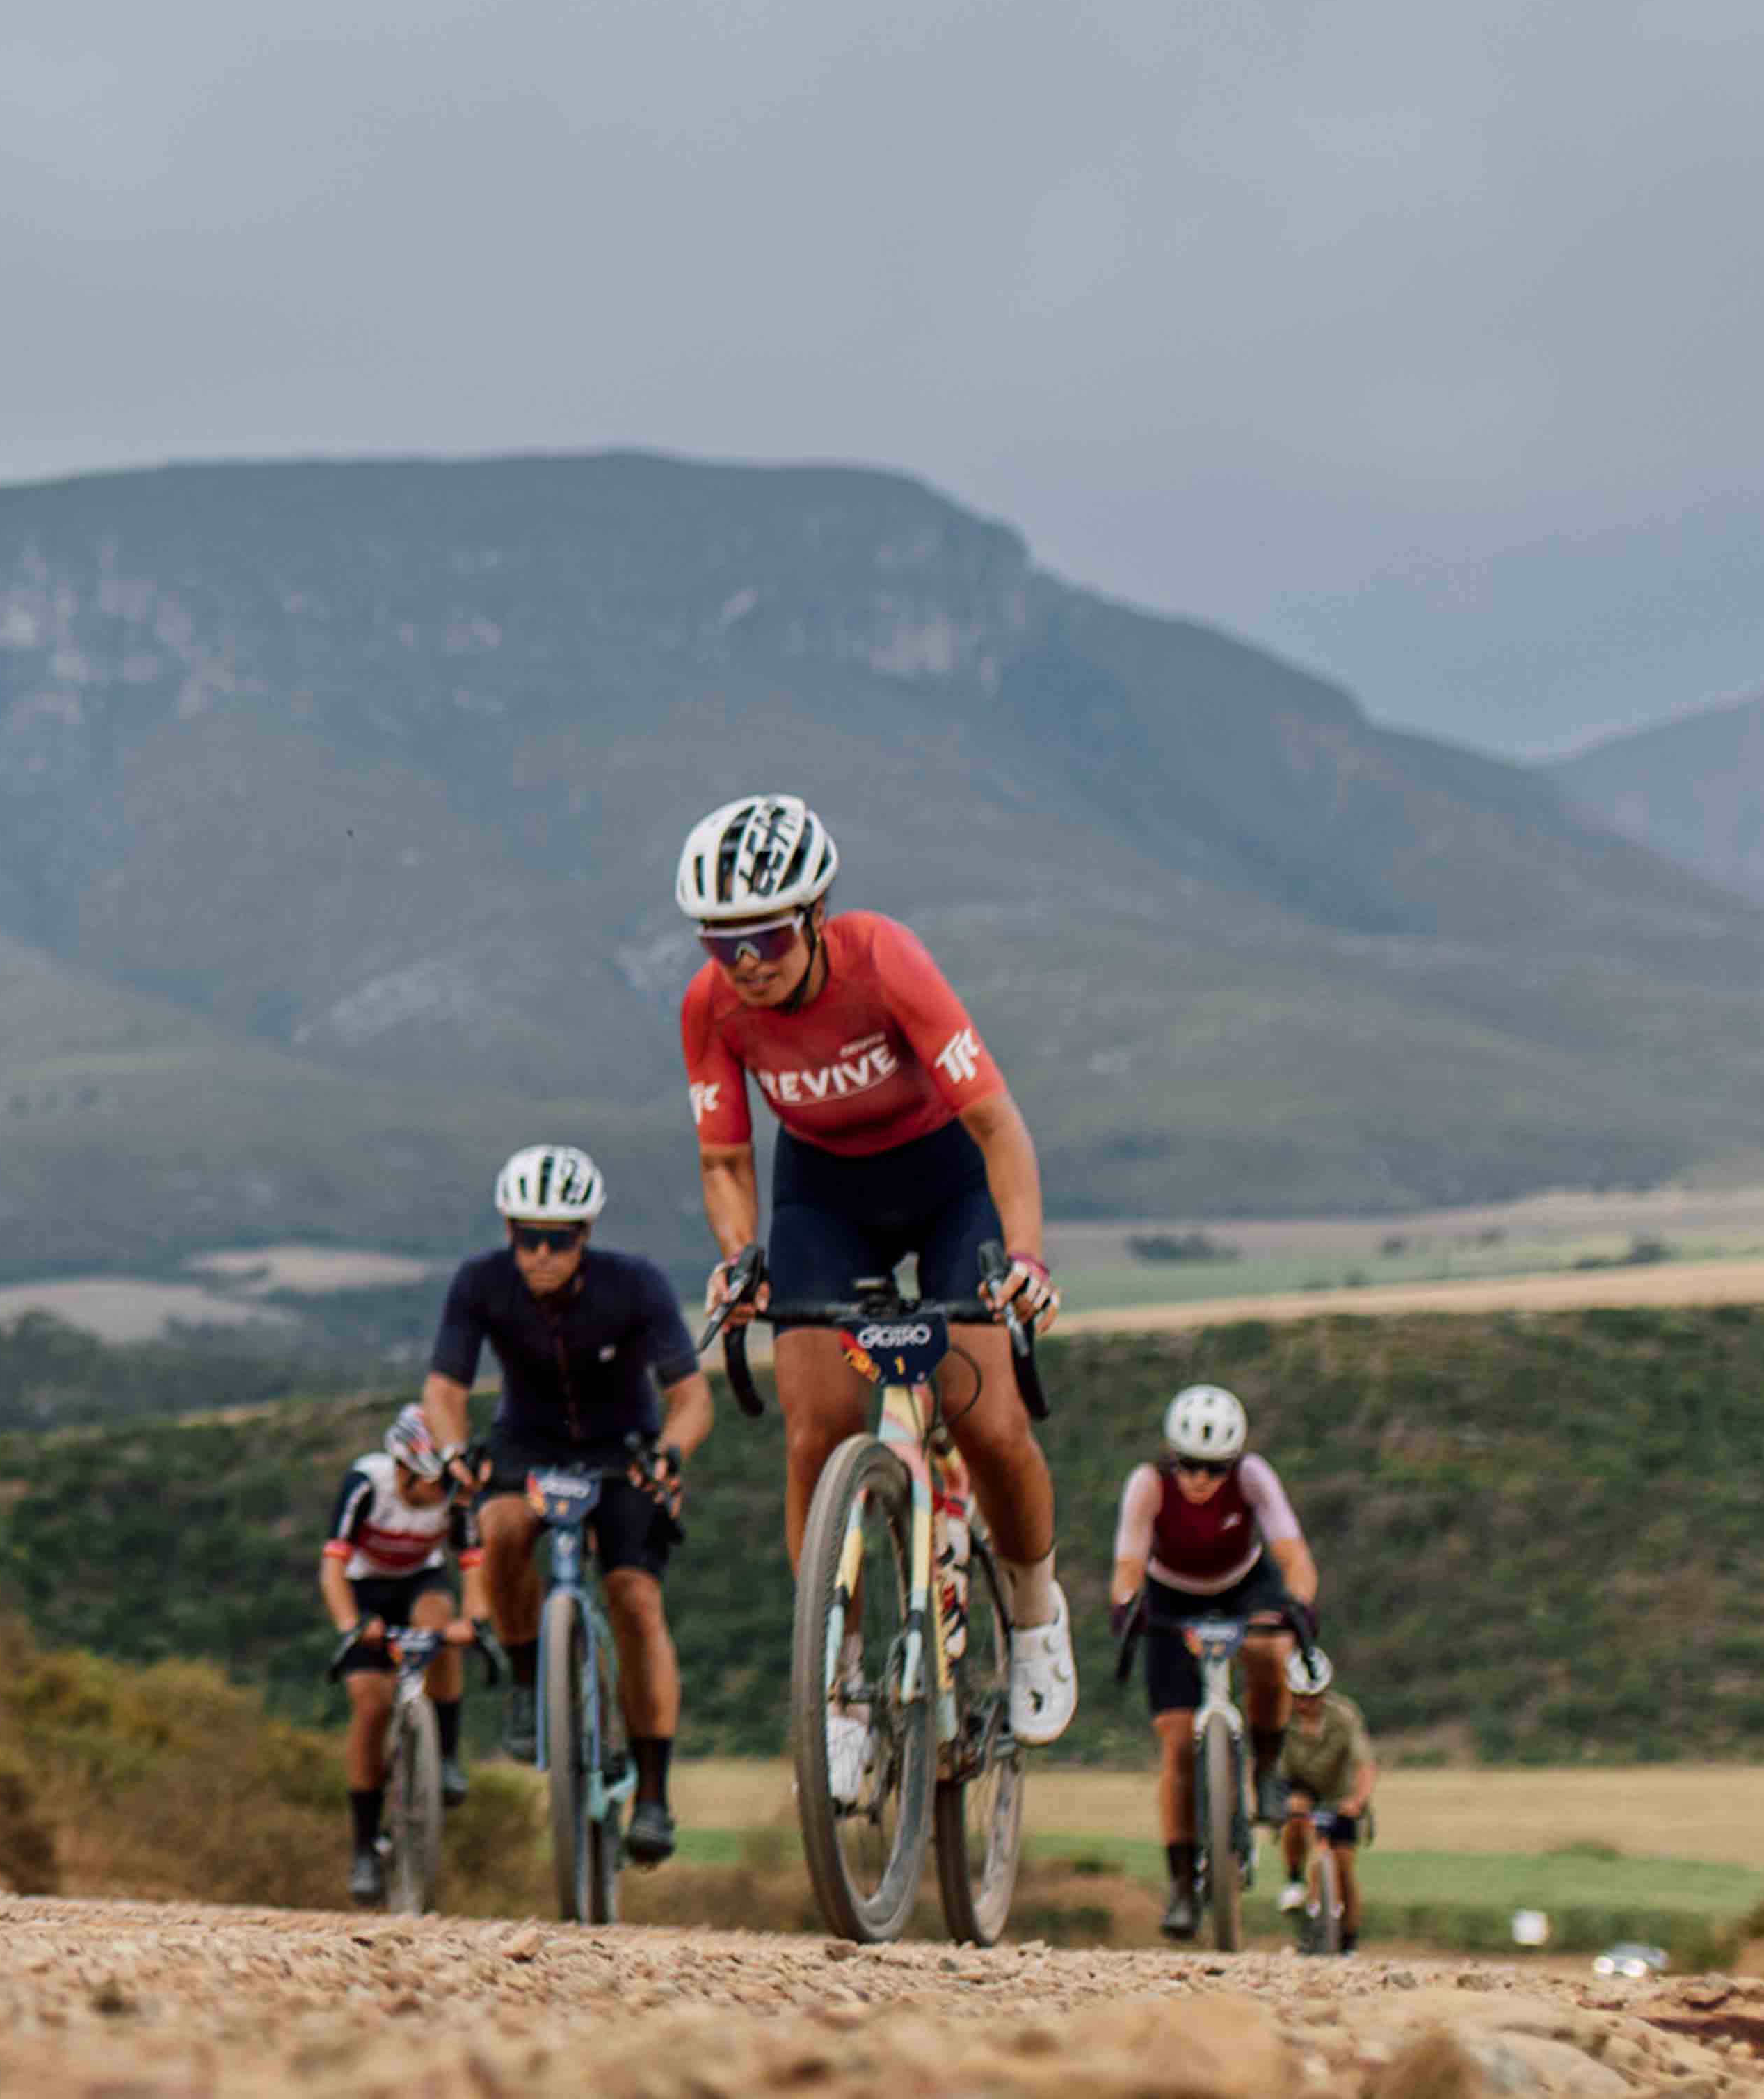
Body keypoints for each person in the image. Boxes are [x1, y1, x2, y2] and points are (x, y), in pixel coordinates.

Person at [675, 793, 1080, 1797]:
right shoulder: (711, 1006)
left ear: (815, 916)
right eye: (722, 943)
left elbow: (998, 1125)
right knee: (815, 1434)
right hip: (825, 1199)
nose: (746, 963)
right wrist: (740, 1256)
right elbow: (725, 1160)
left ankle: (1036, 1611)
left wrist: (1026, 1260)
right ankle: (842, 1687)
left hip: (947, 1183)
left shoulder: (885, 960)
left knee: (988, 1423)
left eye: (767, 937)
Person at [422, 1144, 708, 1867]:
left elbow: (690, 1396)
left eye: (559, 1239)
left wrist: (670, 1453)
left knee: (635, 1599)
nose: (542, 1255)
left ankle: (653, 1794)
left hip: (622, 1449)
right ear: (509, 1231)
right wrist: (453, 1453)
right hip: (527, 1443)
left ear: (586, 1234)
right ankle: (527, 1679)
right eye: (528, 1238)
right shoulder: (481, 1282)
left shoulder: (635, 1284)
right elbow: (445, 1390)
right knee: (499, 1526)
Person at [1107, 1382, 1324, 1940]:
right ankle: (1182, 1884)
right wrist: (1126, 1607)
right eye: (1189, 1465)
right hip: (1170, 1596)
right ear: (1171, 1457)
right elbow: (1128, 1563)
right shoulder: (1148, 1486)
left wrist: (1301, 1603)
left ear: (1234, 1464)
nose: (1201, 1480)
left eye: (1216, 1468)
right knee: (1177, 1743)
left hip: (1242, 1586)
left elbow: (1293, 1553)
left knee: (1271, 1650)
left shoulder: (1254, 1478)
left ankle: (1267, 1771)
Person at [321, 1404, 481, 1902]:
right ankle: (364, 1847)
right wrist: (351, 1625)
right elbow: (332, 1567)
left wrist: (475, 1623)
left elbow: (474, 1561)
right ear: (404, 1469)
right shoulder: (367, 1484)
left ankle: (445, 1754)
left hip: (418, 1581)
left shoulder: (454, 1494)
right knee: (370, 1705)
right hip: (364, 1589)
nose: (440, 1498)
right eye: (432, 1485)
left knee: (441, 1625)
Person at [1272, 1645, 1378, 1953]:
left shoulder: (1344, 1717)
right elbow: (1266, 1767)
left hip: (1339, 1795)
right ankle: (1294, 1881)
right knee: (1295, 1820)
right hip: (1299, 1788)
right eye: (1300, 1697)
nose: (1306, 1705)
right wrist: (1283, 1799)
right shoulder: (1280, 1720)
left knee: (1344, 1864)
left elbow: (1365, 1764)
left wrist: (1358, 1801)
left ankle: (1349, 1938)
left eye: (1314, 1697)